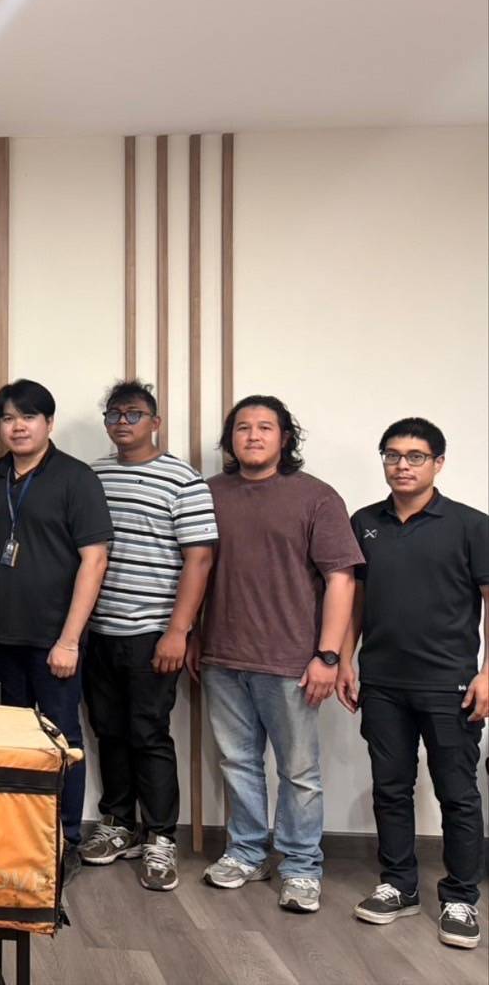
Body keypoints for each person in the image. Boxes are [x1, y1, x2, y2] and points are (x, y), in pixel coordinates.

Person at [188, 394, 361, 913]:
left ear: (285, 438)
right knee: (237, 762)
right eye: (243, 427)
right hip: (222, 656)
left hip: (291, 662)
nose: (254, 436)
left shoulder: (316, 497)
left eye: (266, 427)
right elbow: (196, 569)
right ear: (230, 439)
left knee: (299, 772)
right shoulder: (208, 493)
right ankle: (246, 852)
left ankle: (302, 866)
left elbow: (341, 579)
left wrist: (328, 656)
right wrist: (192, 634)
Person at [337, 417, 486, 950]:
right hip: (382, 683)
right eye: (393, 455)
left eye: (415, 456)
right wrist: (345, 659)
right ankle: (399, 885)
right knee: (391, 787)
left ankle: (461, 898)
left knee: (457, 794)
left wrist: (488, 673)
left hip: (451, 685)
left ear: (438, 463)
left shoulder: (471, 525)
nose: (402, 465)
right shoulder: (364, 522)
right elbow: (355, 599)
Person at [79, 380, 217, 892]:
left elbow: (199, 560)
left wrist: (178, 632)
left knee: (148, 733)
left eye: (133, 414)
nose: (122, 422)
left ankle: (160, 836)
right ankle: (118, 823)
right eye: (114, 414)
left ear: (155, 422)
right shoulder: (93, 476)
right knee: (108, 730)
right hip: (98, 629)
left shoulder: (183, 480)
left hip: (152, 631)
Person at [0, 378, 111, 883]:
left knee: (61, 739)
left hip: (56, 640)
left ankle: (65, 837)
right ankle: (17, 832)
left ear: (48, 423)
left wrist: (70, 640)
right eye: (8, 418)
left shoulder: (76, 478)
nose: (18, 427)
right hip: (0, 636)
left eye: (28, 417)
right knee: (11, 738)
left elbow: (95, 561)